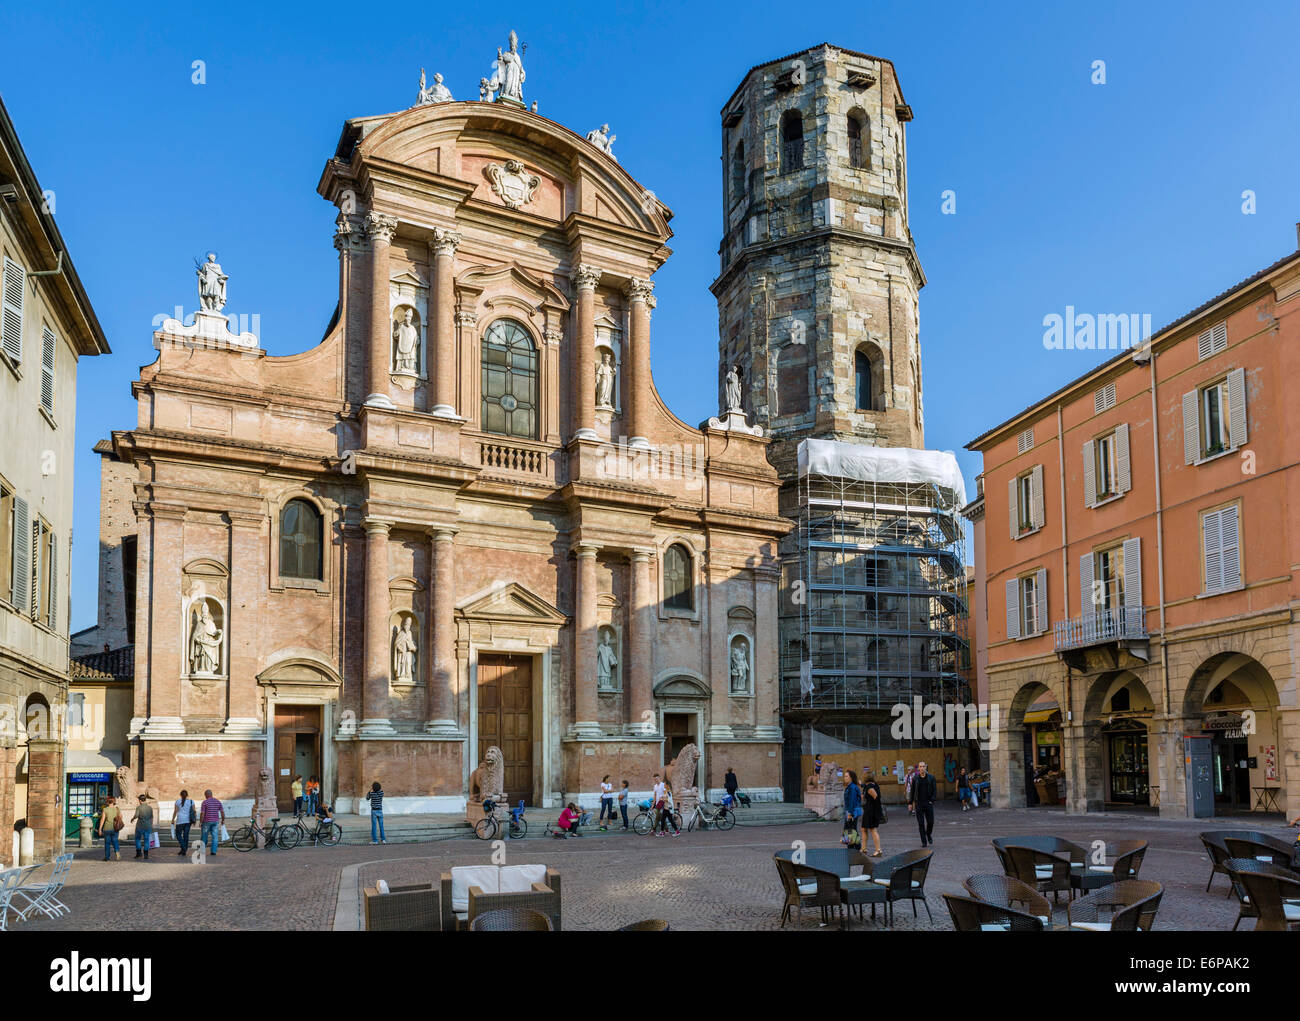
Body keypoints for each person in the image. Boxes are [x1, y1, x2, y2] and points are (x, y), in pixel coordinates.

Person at [908, 760, 938, 847]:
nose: (922, 768)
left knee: (930, 822)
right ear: (918, 769)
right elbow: (912, 791)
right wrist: (910, 803)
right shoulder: (915, 778)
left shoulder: (931, 778)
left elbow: (934, 790)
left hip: (928, 803)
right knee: (921, 823)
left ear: (926, 767)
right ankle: (924, 842)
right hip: (919, 804)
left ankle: (928, 834)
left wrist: (932, 800)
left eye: (923, 766)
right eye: (920, 767)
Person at [861, 769, 884, 857]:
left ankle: (878, 850)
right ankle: (863, 848)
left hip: (871, 811)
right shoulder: (872, 785)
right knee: (863, 829)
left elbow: (876, 798)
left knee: (873, 830)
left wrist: (877, 812)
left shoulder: (870, 787)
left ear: (866, 778)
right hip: (869, 811)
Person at [199, 789, 225, 857]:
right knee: (215, 837)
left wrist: (200, 822)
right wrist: (223, 820)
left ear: (206, 795)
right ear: (211, 794)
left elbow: (202, 813)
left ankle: (202, 851)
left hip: (206, 822)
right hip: (215, 822)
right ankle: (213, 851)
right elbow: (222, 812)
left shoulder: (205, 802)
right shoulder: (218, 802)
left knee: (204, 837)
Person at [843, 770, 863, 848]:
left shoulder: (852, 787)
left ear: (851, 778)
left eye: (846, 776)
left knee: (850, 829)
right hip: (851, 810)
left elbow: (852, 801)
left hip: (852, 811)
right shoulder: (851, 786)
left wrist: (850, 813)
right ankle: (855, 846)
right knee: (851, 829)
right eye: (844, 776)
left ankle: (855, 846)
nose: (844, 778)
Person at [97, 796, 121, 862]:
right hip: (115, 828)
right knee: (115, 841)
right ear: (114, 801)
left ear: (107, 802)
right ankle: (117, 852)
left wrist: (100, 829)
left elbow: (102, 820)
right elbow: (121, 817)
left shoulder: (105, 809)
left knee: (107, 843)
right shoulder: (117, 809)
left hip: (107, 828)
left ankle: (107, 857)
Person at [174, 789, 196, 855]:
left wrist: (172, 819)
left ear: (180, 795)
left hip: (180, 821)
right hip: (188, 821)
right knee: (186, 836)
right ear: (187, 795)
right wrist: (194, 820)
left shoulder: (177, 801)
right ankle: (184, 849)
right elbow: (194, 811)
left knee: (178, 835)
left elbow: (175, 811)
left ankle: (183, 848)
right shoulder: (191, 802)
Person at [133, 794, 155, 860]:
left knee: (137, 839)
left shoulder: (139, 807)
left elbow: (136, 815)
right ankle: (146, 855)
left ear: (140, 800)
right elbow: (151, 817)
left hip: (140, 825)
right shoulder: (150, 808)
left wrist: (132, 818)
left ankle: (139, 853)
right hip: (148, 825)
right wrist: (151, 824)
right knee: (146, 840)